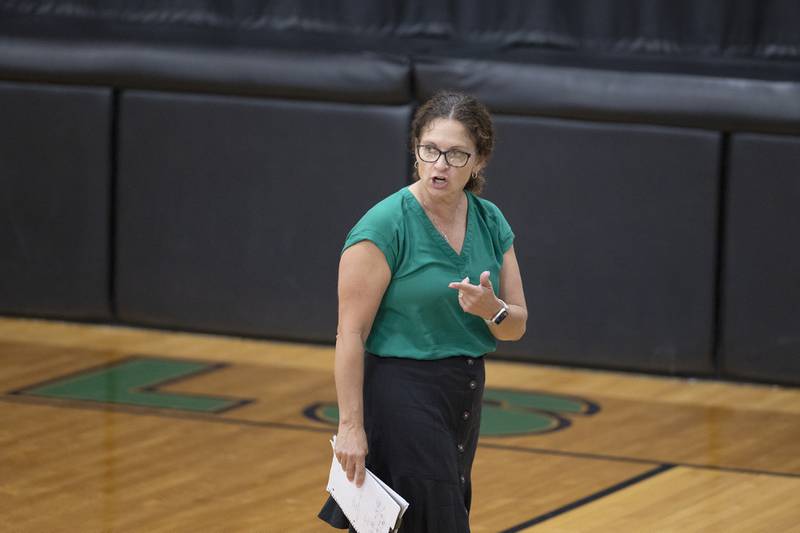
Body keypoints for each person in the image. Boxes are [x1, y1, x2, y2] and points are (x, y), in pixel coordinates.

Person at [319, 91, 527, 532]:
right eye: (430, 150)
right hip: (400, 391)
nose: (440, 165)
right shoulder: (383, 225)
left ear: (480, 159)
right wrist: (352, 427)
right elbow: (350, 334)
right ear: (416, 150)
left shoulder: (490, 221)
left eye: (456, 154)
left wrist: (494, 311)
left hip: (464, 391)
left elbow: (516, 327)